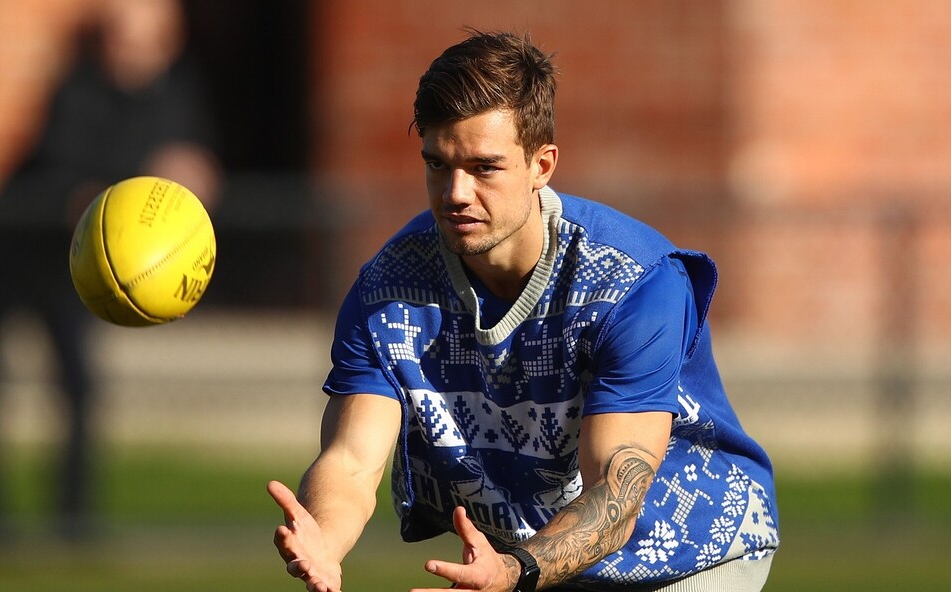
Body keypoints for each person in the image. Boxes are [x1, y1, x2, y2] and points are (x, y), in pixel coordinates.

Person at [269, 30, 779, 591]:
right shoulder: (388, 289)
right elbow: (350, 461)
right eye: (437, 164)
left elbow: (616, 493)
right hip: (532, 558)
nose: (455, 193)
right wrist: (325, 538)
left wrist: (514, 571)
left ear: (542, 165)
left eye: (484, 167)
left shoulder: (635, 283)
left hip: (690, 553)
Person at [0, 0, 219, 540]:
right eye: (124, 39)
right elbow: (63, 180)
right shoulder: (76, 91)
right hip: (22, 254)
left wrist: (195, 176)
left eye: (151, 41)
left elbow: (193, 168)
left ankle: (74, 523)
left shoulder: (175, 96)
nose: (137, 52)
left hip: (79, 278)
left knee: (79, 388)